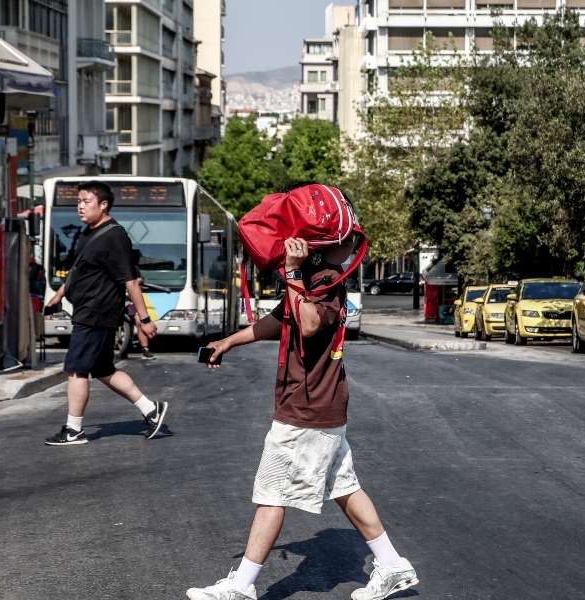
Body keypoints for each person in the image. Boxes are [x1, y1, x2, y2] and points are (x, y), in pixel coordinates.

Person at [187, 186, 417, 600]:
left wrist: (292, 273)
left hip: (307, 406)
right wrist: (229, 342)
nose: (349, 246)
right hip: (322, 403)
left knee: (272, 492)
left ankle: (241, 586)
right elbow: (282, 319)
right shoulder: (313, 276)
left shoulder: (326, 280)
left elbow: (308, 324)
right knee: (344, 486)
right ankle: (392, 564)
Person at [43, 180, 167, 446]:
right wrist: (59, 294)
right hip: (88, 311)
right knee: (102, 369)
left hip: (96, 313)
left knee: (76, 369)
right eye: (78, 201)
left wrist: (144, 319)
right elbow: (80, 269)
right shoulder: (88, 233)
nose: (80, 206)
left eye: (86, 201)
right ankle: (151, 410)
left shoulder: (115, 237)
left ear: (103, 205)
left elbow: (131, 281)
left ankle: (73, 430)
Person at [127, 276, 156, 360]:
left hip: (130, 301)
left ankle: (145, 349)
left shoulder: (133, 272)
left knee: (140, 320)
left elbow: (138, 283)